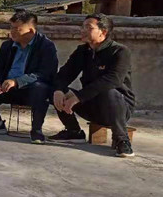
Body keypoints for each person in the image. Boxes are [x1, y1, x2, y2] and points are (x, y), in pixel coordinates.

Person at [51, 13, 135, 158]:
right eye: (82, 27)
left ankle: (122, 140)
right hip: (91, 105)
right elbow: (64, 74)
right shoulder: (82, 51)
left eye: (88, 28)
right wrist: (58, 90)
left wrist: (79, 96)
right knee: (52, 90)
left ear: (103, 32)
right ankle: (74, 131)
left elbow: (113, 80)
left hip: (117, 108)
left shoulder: (120, 51)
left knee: (109, 91)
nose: (82, 30)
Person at [0, 10, 58, 143]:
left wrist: (17, 81)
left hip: (30, 90)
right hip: (6, 88)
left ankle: (36, 130)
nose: (12, 32)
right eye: (11, 28)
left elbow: (45, 73)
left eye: (17, 29)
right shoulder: (7, 45)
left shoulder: (46, 46)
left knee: (40, 88)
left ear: (30, 31)